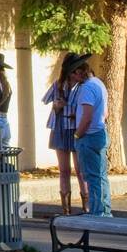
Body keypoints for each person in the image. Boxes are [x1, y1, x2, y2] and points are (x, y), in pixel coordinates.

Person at [67, 54, 110, 216]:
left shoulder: (86, 88)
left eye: (72, 73)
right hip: (100, 133)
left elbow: (87, 116)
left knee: (92, 177)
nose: (72, 77)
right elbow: (104, 113)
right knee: (101, 176)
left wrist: (77, 135)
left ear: (79, 72)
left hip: (89, 136)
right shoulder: (99, 83)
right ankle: (105, 210)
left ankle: (96, 212)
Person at [44, 55, 87, 214]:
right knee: (64, 169)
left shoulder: (84, 87)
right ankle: (66, 208)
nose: (79, 73)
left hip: (76, 128)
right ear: (70, 72)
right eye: (76, 70)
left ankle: (86, 205)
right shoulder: (58, 85)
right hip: (61, 127)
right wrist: (57, 106)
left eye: (80, 70)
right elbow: (47, 101)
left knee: (80, 169)